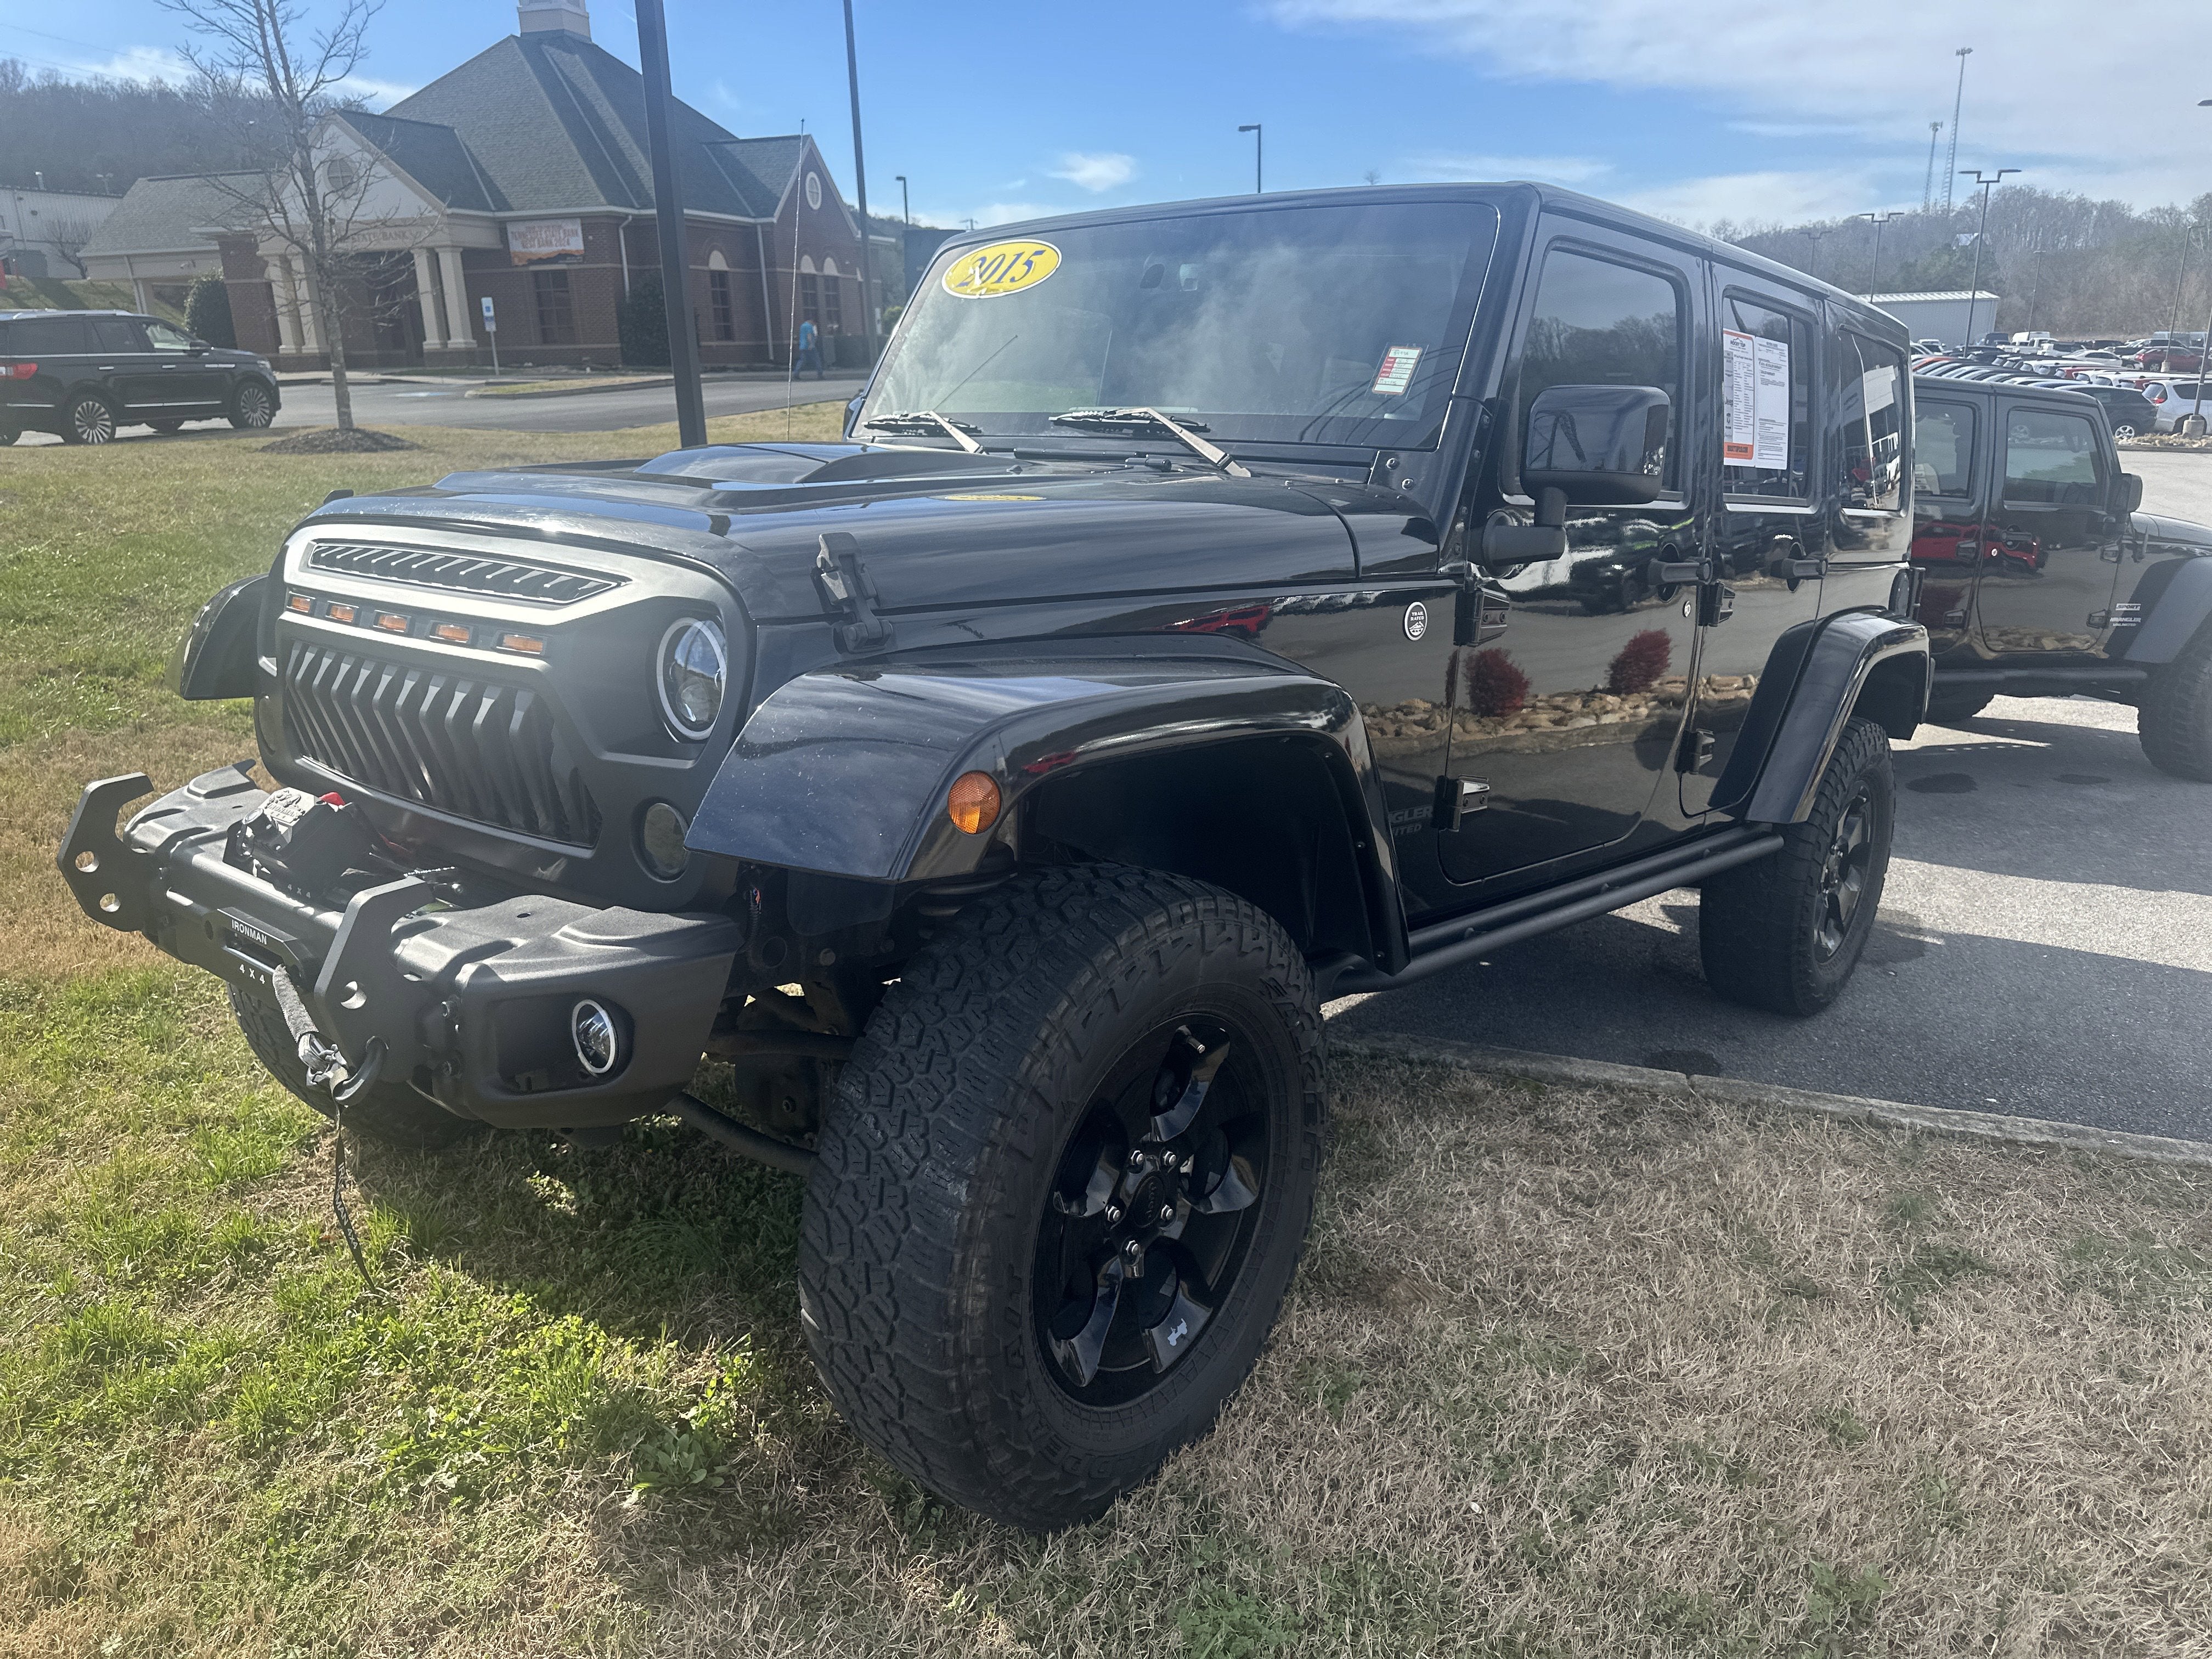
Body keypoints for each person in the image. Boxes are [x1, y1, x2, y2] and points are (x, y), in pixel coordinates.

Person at [796, 316, 822, 380]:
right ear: (812, 321)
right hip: (809, 346)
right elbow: (809, 335)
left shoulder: (803, 326)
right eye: (815, 324)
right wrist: (811, 344)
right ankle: (820, 374)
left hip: (802, 346)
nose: (814, 325)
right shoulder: (809, 326)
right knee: (817, 360)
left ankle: (796, 374)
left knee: (802, 361)